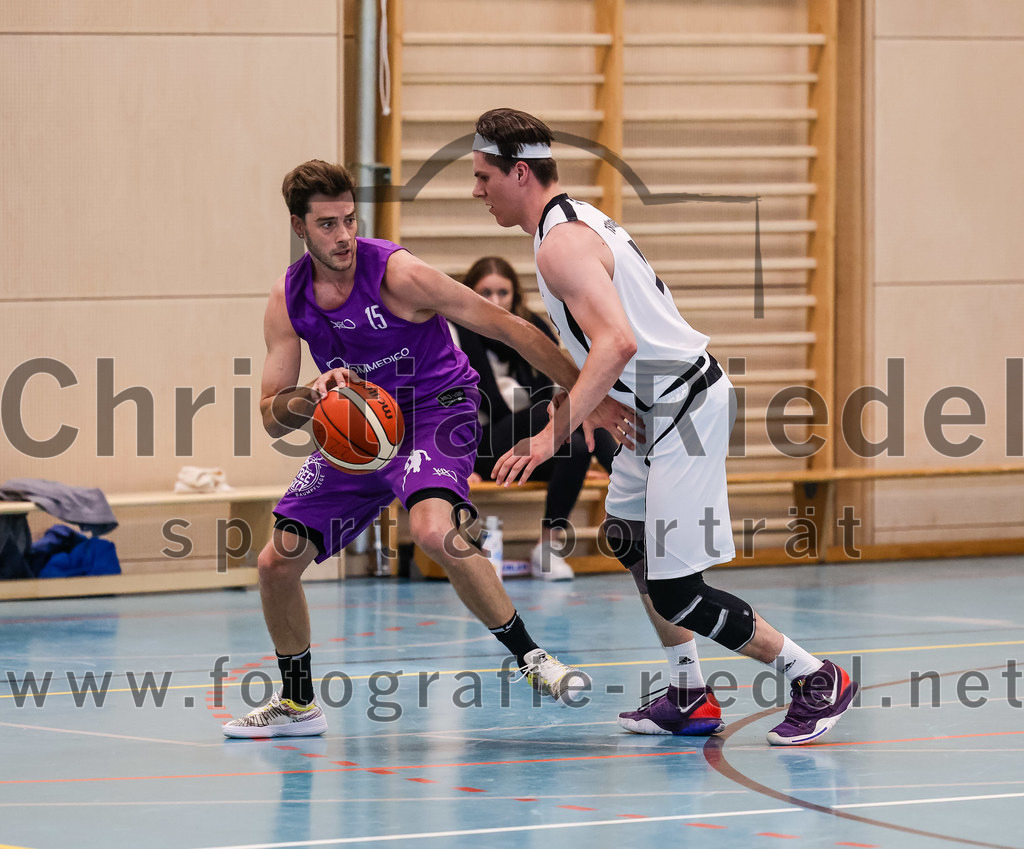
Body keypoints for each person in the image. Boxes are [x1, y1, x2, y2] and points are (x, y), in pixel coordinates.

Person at [470, 108, 858, 745]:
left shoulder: (561, 243)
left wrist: (550, 434)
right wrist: (597, 400)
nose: (477, 190)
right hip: (654, 408)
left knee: (677, 590)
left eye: (484, 176)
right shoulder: (571, 222)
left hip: (684, 410)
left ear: (518, 173)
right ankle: (689, 693)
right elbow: (625, 336)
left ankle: (815, 678)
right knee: (628, 538)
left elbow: (617, 342)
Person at [222, 160, 638, 738]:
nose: (343, 236)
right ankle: (298, 704)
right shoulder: (288, 298)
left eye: (349, 220)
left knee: (433, 531)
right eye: (327, 225)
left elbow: (511, 328)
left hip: (436, 411)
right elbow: (272, 414)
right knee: (275, 563)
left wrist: (590, 398)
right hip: (361, 430)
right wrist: (311, 394)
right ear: (299, 227)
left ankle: (532, 657)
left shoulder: (398, 274)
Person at [452, 256, 617, 581]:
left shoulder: (531, 328)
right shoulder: (459, 329)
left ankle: (547, 548)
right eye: (485, 293)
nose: (495, 301)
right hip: (483, 447)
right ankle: (628, 477)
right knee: (563, 407)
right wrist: (459, 464)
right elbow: (461, 403)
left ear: (515, 295)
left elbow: (549, 393)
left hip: (531, 442)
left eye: (503, 293)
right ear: (471, 293)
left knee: (577, 448)